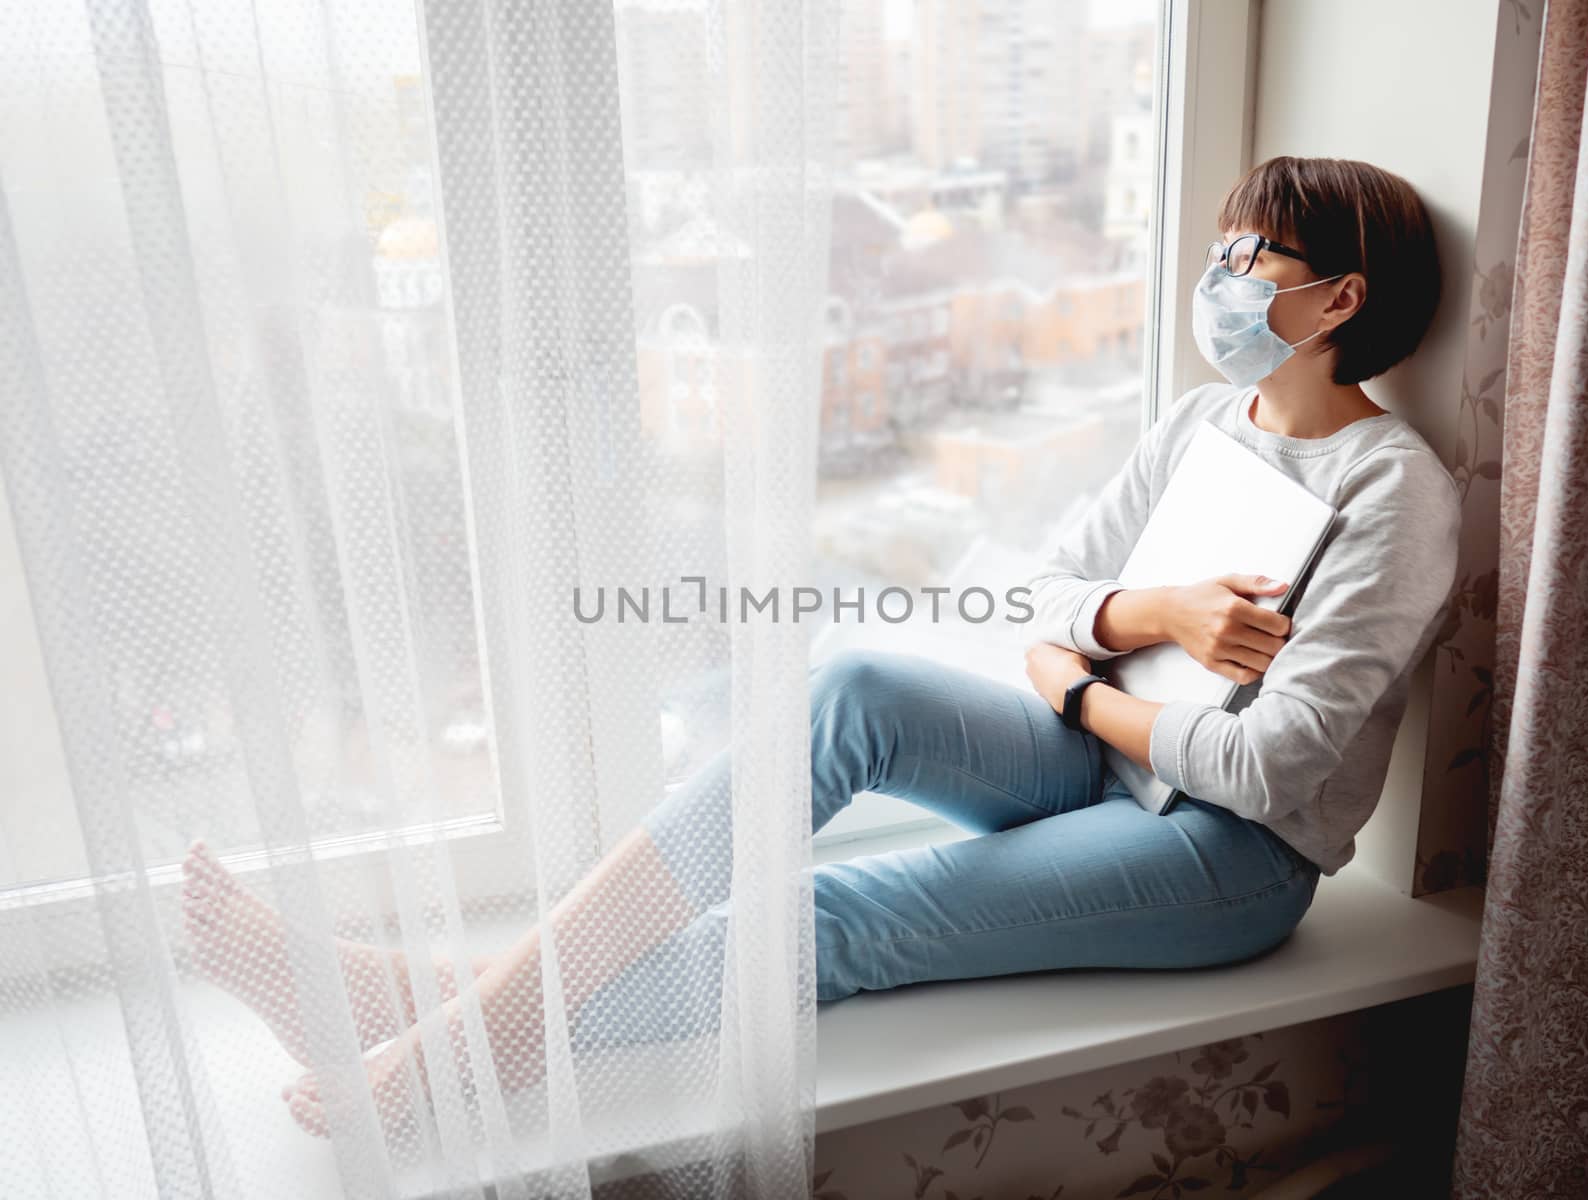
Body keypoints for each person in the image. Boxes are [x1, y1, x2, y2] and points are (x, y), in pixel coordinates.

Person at [185, 155, 1461, 1139]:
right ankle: (460, 1005)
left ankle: (457, 1035)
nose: (1222, 271)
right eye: (1224, 243)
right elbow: (1038, 584)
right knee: (846, 687)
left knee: (837, 915)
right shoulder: (1204, 418)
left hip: (1220, 857)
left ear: (1338, 297)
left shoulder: (1393, 490)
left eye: (1255, 253)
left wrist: (1072, 689)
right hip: (1117, 751)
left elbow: (1266, 773)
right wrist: (1146, 618)